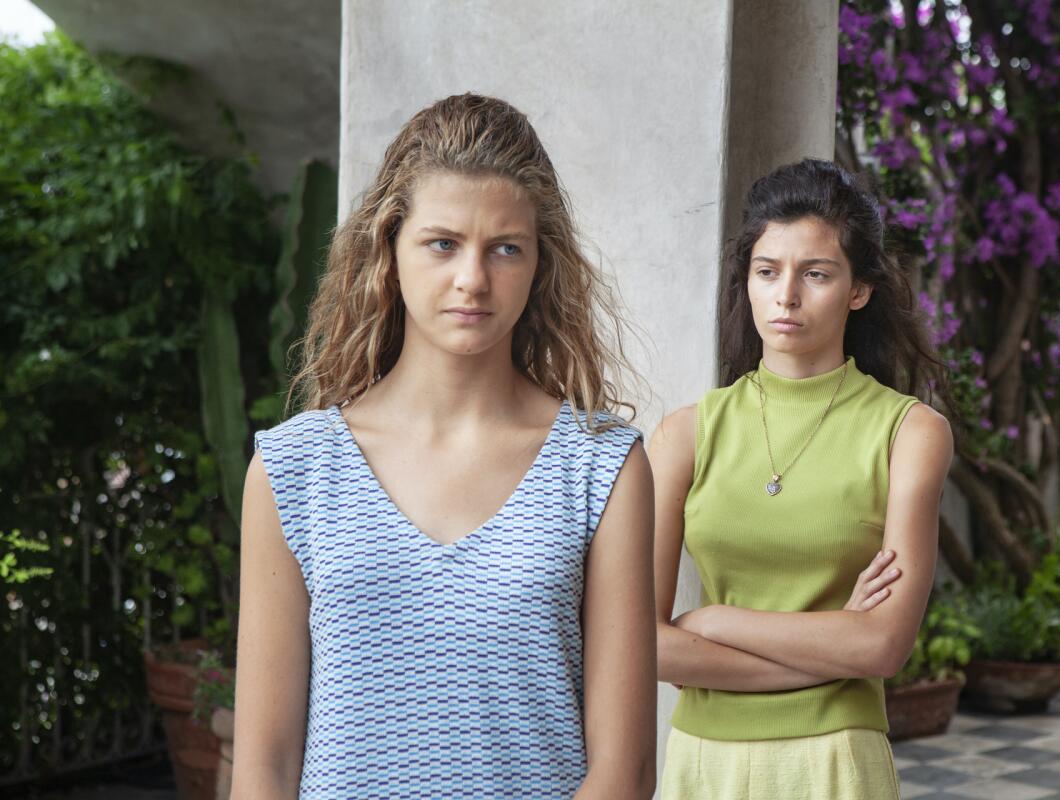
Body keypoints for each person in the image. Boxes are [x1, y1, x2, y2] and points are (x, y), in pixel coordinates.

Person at [231, 94, 656, 799]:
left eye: (506, 248)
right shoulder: (295, 469)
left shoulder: (599, 465)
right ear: (387, 251)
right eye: (443, 243)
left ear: (540, 265)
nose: (473, 279)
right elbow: (264, 768)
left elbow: (624, 771)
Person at [651, 159, 954, 799]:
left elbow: (880, 646)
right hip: (704, 762)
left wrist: (712, 620)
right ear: (748, 282)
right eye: (768, 272)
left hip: (836, 761)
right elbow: (642, 645)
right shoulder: (683, 435)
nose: (786, 296)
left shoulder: (909, 433)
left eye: (815, 274)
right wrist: (828, 644)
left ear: (859, 290)